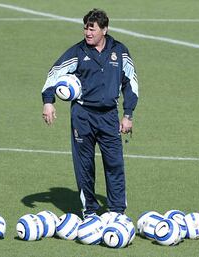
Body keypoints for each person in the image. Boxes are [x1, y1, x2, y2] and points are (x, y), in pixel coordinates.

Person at [41, 8, 138, 218]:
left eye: (92, 29)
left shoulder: (119, 51)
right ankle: (90, 211)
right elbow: (54, 74)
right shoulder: (77, 52)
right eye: (85, 28)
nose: (87, 33)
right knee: (84, 165)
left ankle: (117, 211)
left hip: (109, 116)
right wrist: (49, 102)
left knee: (114, 163)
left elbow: (130, 83)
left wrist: (128, 114)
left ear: (104, 29)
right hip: (82, 116)